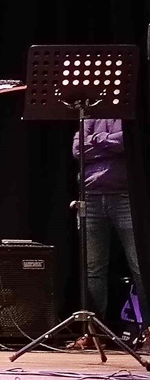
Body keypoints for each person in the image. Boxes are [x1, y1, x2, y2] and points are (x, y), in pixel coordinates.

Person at [70, 118, 148, 350]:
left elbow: (128, 143)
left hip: (125, 196)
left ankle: (149, 330)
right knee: (93, 270)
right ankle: (94, 333)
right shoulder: (90, 115)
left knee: (140, 266)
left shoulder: (130, 113)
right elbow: (78, 150)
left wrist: (96, 140)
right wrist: (109, 144)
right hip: (91, 197)